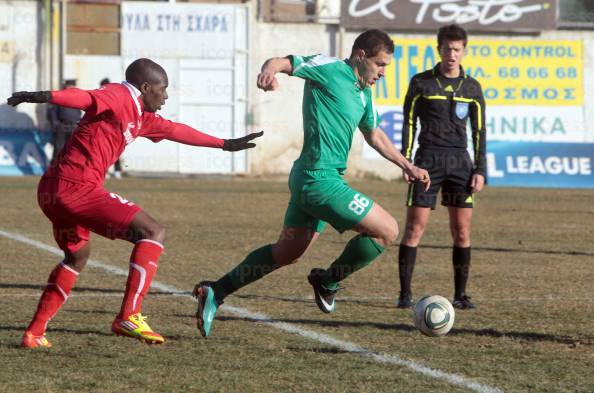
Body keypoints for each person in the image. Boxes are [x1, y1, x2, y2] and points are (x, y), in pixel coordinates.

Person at [7, 58, 263, 348]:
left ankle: (34, 333)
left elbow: (175, 130)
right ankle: (129, 315)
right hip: (76, 188)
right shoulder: (119, 95)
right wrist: (43, 96)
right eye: (162, 89)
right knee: (153, 232)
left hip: (53, 191)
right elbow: (86, 98)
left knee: (76, 257)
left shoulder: (143, 116)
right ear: (145, 87)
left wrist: (225, 144)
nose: (165, 96)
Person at [192, 29, 431, 338]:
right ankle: (328, 281)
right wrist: (269, 70)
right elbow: (284, 62)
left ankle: (216, 290)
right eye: (380, 64)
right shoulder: (330, 68)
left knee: (286, 253)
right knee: (387, 230)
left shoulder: (363, 92)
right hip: (320, 181)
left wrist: (407, 165)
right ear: (360, 56)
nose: (383, 73)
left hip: (310, 180)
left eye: (386, 66)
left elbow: (373, 134)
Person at [395, 24, 486, 310]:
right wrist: (407, 161)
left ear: (464, 51)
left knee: (461, 231)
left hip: (460, 163)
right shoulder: (421, 82)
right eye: (447, 49)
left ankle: (460, 295)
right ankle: (405, 294)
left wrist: (480, 169)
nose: (452, 54)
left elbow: (479, 131)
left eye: (457, 49)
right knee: (414, 228)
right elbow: (409, 122)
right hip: (427, 162)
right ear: (439, 50)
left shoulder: (471, 87)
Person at [46, 79, 82, 162]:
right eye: (69, 86)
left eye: (73, 86)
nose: (71, 87)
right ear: (65, 86)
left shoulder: (77, 98)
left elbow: (79, 113)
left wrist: (78, 124)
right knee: (59, 149)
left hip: (73, 127)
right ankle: (54, 170)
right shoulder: (59, 96)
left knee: (73, 150)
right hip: (62, 127)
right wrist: (56, 124)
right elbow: (52, 112)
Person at [100, 77, 124, 179]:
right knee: (105, 152)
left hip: (113, 130)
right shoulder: (102, 98)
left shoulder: (114, 98)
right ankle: (106, 171)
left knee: (113, 152)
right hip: (106, 131)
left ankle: (117, 170)